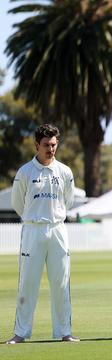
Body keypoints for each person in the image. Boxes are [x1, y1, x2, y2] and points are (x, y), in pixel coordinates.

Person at [5, 124, 78, 344]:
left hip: (57, 229)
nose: (51, 149)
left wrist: (54, 216)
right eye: (46, 145)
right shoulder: (25, 172)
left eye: (54, 144)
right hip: (33, 230)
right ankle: (21, 333)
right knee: (28, 283)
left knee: (61, 282)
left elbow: (69, 201)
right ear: (36, 145)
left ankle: (65, 331)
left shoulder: (64, 172)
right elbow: (18, 203)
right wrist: (34, 217)